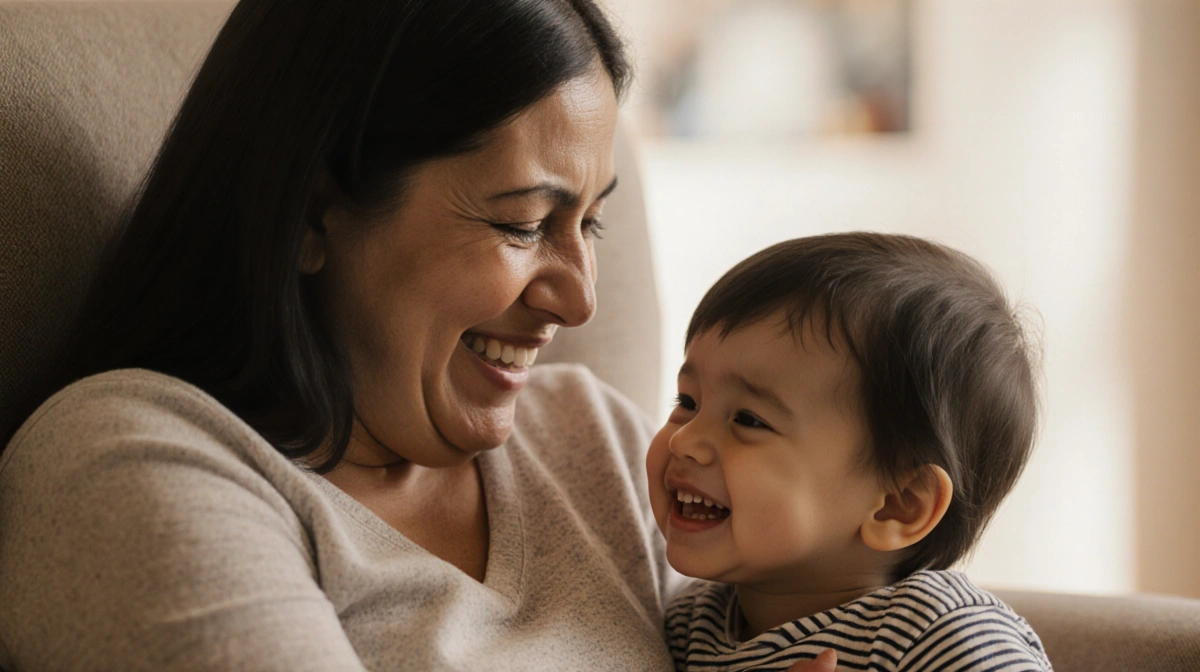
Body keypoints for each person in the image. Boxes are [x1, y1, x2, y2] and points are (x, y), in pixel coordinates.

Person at [0, 1, 683, 669]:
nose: (580, 300)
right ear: (315, 214)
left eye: (590, 222)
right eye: (525, 224)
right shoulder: (130, 463)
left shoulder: (599, 442)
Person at [646, 233, 1053, 671]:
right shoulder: (691, 623)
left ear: (897, 505)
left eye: (749, 420)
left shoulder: (938, 632)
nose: (682, 440)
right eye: (687, 402)